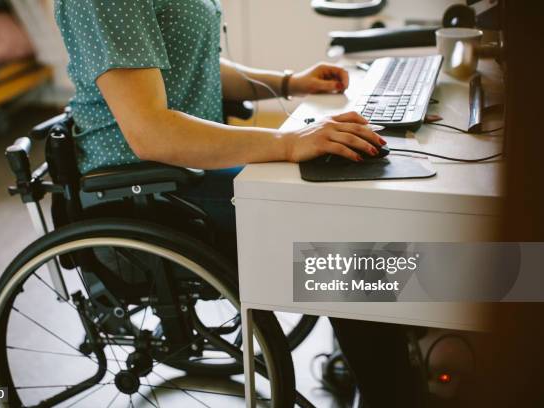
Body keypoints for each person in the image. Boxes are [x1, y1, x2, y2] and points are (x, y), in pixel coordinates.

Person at [54, 0, 421, 406]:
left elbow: (192, 65)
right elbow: (151, 133)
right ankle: (392, 391)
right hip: (143, 189)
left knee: (347, 207)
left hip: (185, 171)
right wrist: (288, 142)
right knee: (342, 244)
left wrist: (289, 82)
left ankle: (380, 358)